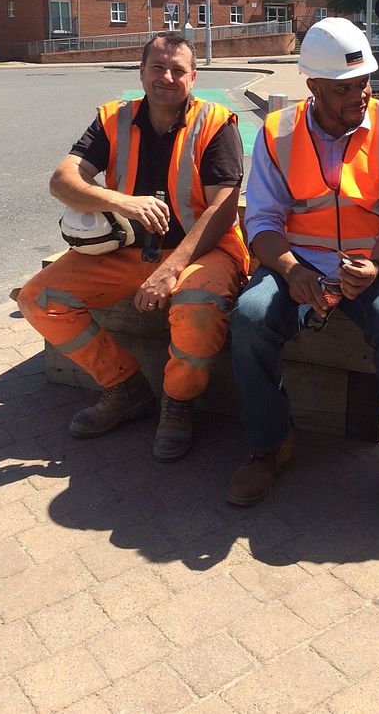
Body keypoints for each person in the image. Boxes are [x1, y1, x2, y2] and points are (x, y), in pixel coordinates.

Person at [226, 17, 379, 529]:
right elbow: (262, 218)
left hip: (378, 261)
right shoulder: (277, 132)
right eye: (343, 88)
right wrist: (292, 270)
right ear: (312, 87)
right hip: (298, 263)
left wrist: (377, 263)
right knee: (250, 319)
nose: (359, 95)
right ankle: (270, 445)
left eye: (364, 82)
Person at [18, 32, 249, 460]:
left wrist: (170, 271)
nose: (166, 77)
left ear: (193, 78)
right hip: (128, 250)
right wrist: (121, 200)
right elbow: (61, 181)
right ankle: (125, 389)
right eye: (157, 67)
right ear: (141, 72)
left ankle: (177, 403)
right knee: (39, 299)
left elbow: (222, 208)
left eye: (178, 70)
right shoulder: (114, 119)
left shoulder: (216, 122)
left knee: (196, 307)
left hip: (205, 251)